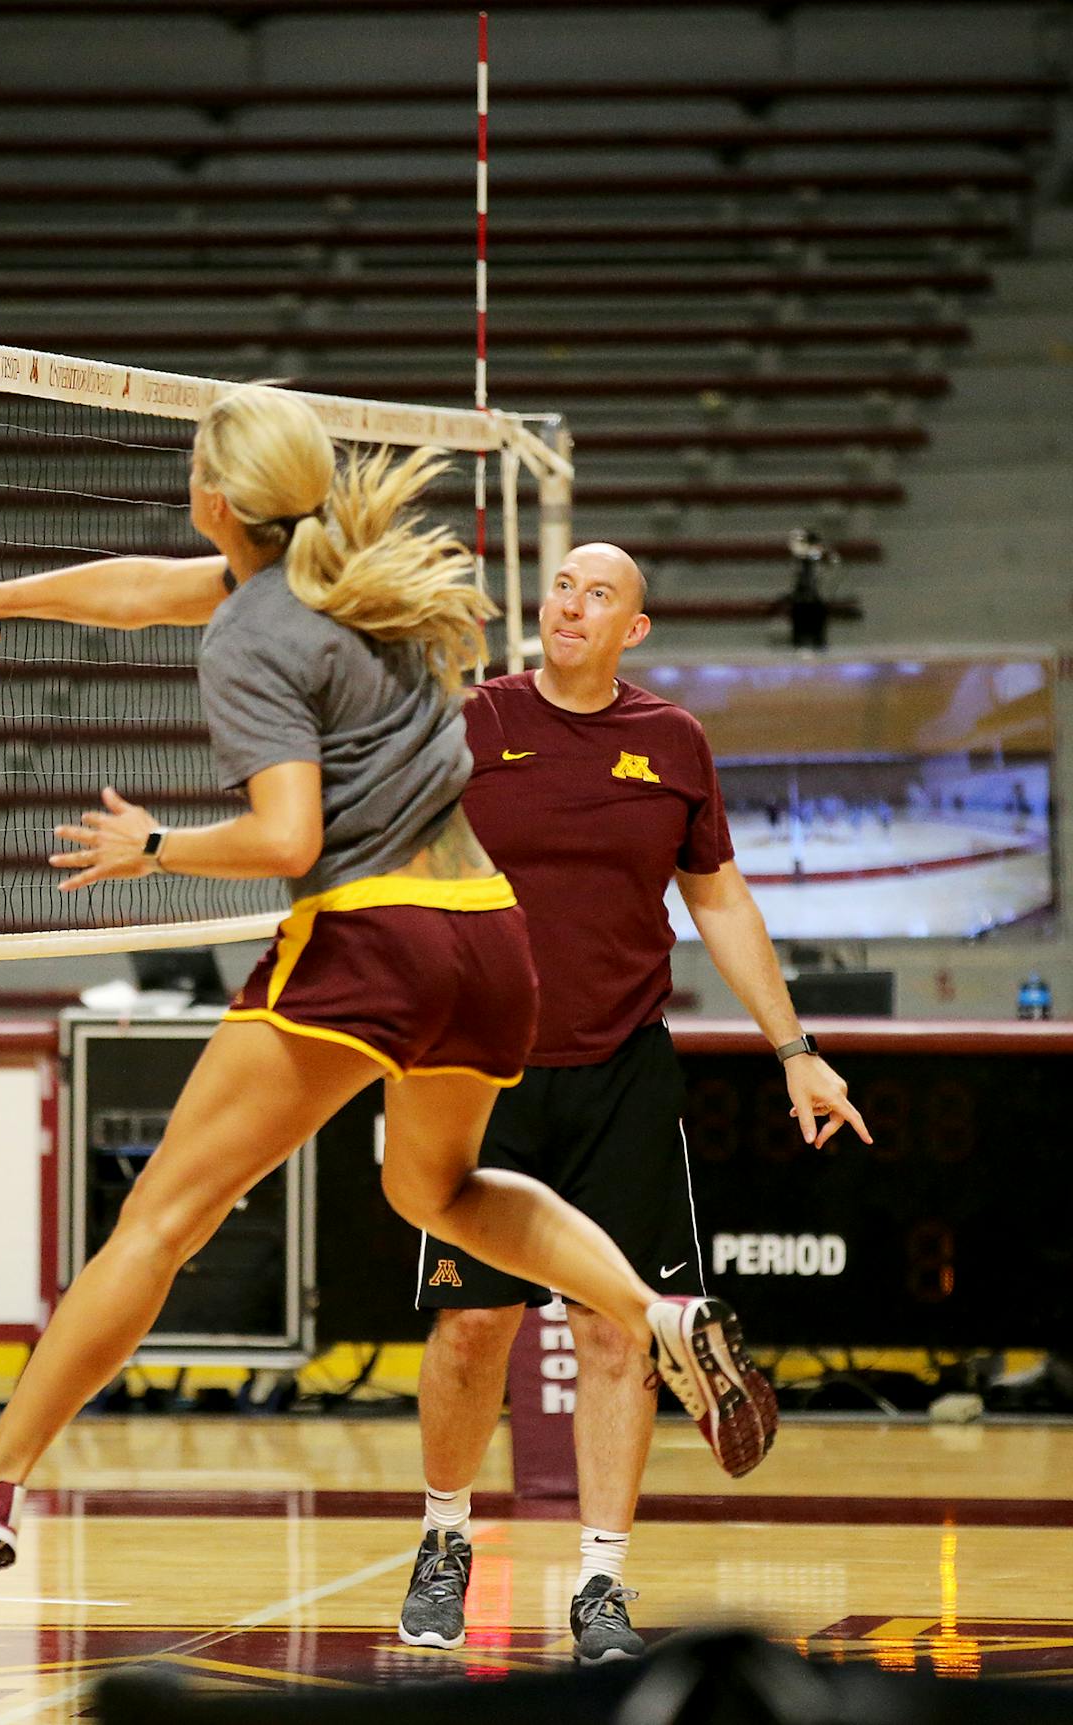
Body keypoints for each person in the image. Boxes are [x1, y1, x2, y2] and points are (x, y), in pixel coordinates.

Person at [0, 391, 779, 1592]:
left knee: (161, 1220)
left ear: (214, 503)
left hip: (372, 940)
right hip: (492, 941)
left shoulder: (248, 631)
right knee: (437, 1188)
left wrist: (155, 850)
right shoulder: (357, 580)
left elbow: (289, 836)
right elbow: (150, 588)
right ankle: (662, 1319)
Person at [393, 543, 870, 1664]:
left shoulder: (673, 744)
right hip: (481, 1073)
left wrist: (795, 1048)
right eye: (562, 586)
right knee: (473, 1329)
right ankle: (444, 1540)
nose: (571, 604)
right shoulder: (470, 721)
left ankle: (602, 1581)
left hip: (621, 1073)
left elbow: (722, 901)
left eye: (598, 594)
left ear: (633, 630)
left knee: (619, 1335)